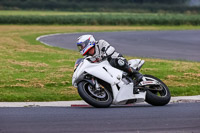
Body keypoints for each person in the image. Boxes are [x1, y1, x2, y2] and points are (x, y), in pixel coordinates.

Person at [76, 34, 143, 86]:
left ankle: (136, 74)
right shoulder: (88, 57)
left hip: (116, 59)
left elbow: (111, 48)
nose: (81, 48)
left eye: (82, 46)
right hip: (107, 69)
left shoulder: (100, 43)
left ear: (88, 42)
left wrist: (104, 55)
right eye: (80, 47)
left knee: (114, 61)